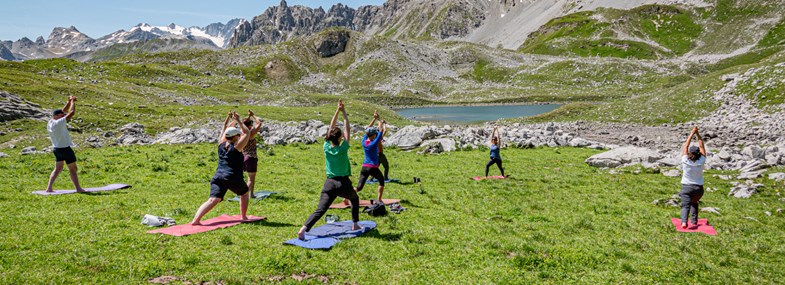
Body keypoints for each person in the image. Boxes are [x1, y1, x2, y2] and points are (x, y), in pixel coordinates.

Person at [298, 100, 361, 240]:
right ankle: (355, 224)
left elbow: (330, 129)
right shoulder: (343, 148)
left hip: (329, 183)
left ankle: (303, 229)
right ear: (340, 138)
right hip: (343, 183)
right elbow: (347, 129)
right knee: (355, 199)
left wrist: (336, 111)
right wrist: (343, 112)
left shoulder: (326, 147)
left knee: (321, 209)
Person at [190, 112, 259, 225]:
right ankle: (244, 216)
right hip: (232, 176)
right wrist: (239, 121)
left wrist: (233, 120)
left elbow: (226, 130)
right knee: (245, 193)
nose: (239, 136)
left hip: (218, 176)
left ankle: (196, 220)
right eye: (238, 135)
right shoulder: (236, 147)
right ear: (235, 137)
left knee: (213, 199)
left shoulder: (221, 143)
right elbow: (247, 132)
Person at [45, 96, 86, 193]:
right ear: (57, 116)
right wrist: (72, 102)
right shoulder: (59, 123)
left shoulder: (51, 122)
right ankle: (78, 188)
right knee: (73, 169)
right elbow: (71, 113)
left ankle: (49, 188)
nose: (63, 116)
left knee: (57, 169)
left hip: (57, 149)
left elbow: (63, 111)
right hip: (65, 149)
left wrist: (68, 102)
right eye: (61, 115)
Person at [353, 111, 386, 202]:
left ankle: (347, 197)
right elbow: (381, 131)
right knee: (381, 181)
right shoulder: (373, 143)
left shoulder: (364, 141)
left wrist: (374, 118)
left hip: (364, 167)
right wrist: (380, 122)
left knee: (359, 187)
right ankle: (379, 199)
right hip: (373, 167)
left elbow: (368, 129)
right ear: (373, 135)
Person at [679, 126, 707, 229]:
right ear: (699, 153)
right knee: (694, 202)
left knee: (685, 205)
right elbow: (702, 146)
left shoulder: (685, 160)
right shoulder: (701, 161)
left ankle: (684, 222)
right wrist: (698, 134)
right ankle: (694, 221)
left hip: (687, 187)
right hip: (699, 189)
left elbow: (685, 146)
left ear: (690, 153)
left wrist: (691, 133)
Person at [242, 110, 263, 197]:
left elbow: (243, 123)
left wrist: (249, 117)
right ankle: (243, 195)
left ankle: (251, 194)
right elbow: (259, 123)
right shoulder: (251, 133)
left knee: (251, 177)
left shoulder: (242, 133)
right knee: (251, 179)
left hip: (243, 157)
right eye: (251, 124)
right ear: (249, 126)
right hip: (251, 157)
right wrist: (253, 115)